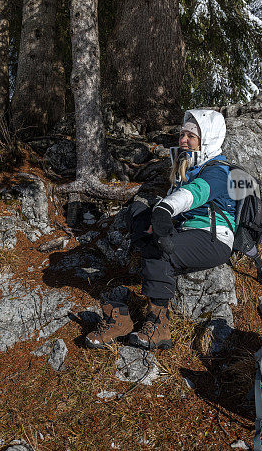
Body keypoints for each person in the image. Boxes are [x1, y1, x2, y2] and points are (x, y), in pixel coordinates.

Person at [85, 109, 236, 350]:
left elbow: (194, 194)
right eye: (182, 134)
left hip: (214, 239)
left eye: (191, 136)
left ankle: (158, 324)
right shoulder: (188, 164)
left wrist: (164, 209)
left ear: (207, 139)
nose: (183, 140)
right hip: (189, 231)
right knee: (142, 219)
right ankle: (123, 320)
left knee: (160, 248)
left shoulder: (218, 171)